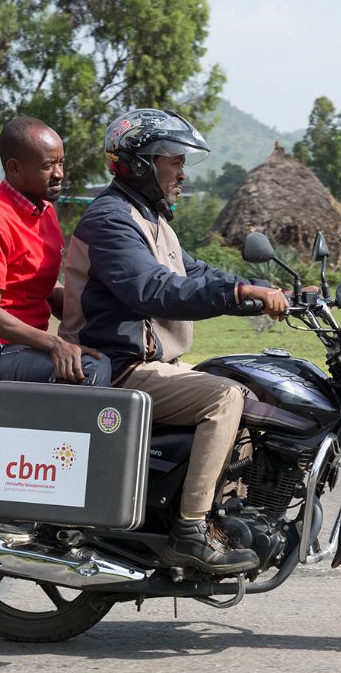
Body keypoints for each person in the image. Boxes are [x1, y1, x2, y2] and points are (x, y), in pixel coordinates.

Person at [59, 108, 287, 574]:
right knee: (224, 398)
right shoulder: (110, 220)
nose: (182, 172)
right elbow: (153, 289)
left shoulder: (152, 219)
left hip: (150, 362)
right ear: (141, 162)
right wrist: (238, 295)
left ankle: (227, 513)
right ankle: (190, 530)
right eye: (174, 161)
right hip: (117, 365)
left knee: (251, 388)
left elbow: (197, 272)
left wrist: (263, 292)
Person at [0, 116, 110, 397]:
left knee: (113, 354)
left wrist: (104, 313)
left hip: (24, 348)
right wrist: (55, 344)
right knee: (92, 369)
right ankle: (61, 443)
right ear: (15, 168)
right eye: (47, 166)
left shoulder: (44, 212)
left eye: (60, 163)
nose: (58, 173)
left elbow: (45, 287)